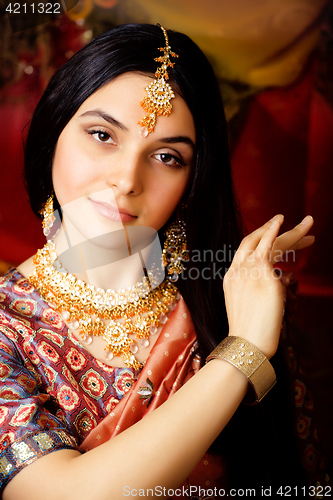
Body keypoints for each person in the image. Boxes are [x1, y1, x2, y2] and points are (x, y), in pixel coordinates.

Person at [0, 23, 314, 499]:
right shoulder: (9, 325)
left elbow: (298, 477)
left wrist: (255, 324)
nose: (127, 179)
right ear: (53, 135)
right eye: (103, 134)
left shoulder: (234, 294)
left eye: (167, 156)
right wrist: (242, 353)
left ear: (193, 180)